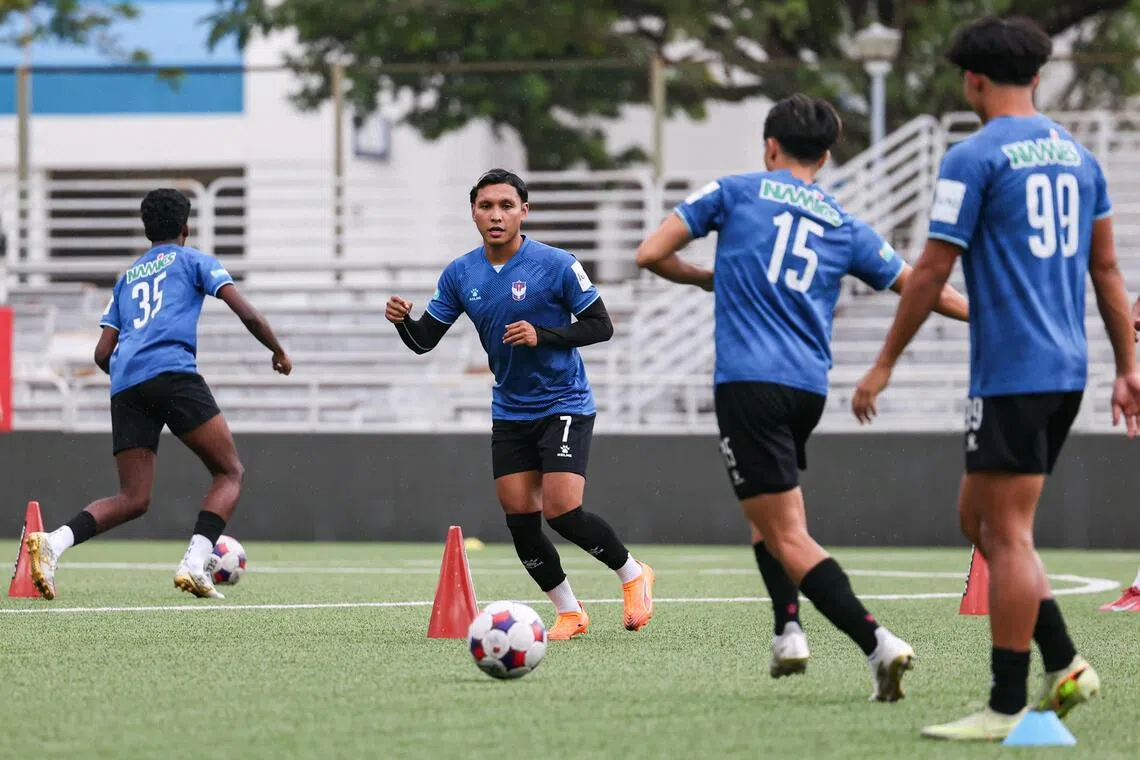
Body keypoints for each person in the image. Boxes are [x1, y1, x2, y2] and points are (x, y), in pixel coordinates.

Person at [852, 16, 1140, 740]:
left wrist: (883, 364)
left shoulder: (974, 155)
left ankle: (1010, 704)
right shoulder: (1080, 158)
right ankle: (1067, 661)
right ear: (1036, 77)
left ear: (972, 81)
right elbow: (1107, 271)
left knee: (1006, 533)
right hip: (1063, 368)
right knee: (977, 522)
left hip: (1015, 372)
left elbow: (931, 273)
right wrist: (1128, 366)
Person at [635, 93, 969, 698]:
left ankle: (877, 643)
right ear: (826, 156)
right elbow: (921, 286)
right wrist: (986, 314)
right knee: (769, 519)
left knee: (786, 531)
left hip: (748, 383)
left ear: (770, 146)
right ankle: (788, 630)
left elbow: (650, 253)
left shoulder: (734, 192)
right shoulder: (845, 224)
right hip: (806, 389)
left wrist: (710, 277)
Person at [386, 168, 654, 640]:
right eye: (486, 206)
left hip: (564, 401)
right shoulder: (460, 273)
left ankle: (633, 573)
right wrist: (404, 321)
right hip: (511, 410)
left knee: (563, 510)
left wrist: (543, 335)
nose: (496, 215)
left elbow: (600, 325)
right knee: (520, 520)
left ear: (523, 212)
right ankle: (570, 612)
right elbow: (424, 341)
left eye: (506, 206)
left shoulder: (555, 264)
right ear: (473, 212)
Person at [25, 188, 292, 601]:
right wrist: (277, 350)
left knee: (133, 497)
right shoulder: (195, 261)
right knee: (229, 471)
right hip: (172, 373)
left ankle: (53, 542)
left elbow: (102, 353)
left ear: (147, 230)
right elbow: (247, 313)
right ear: (186, 227)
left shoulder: (127, 277)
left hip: (126, 382)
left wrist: (130, 377)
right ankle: (193, 563)